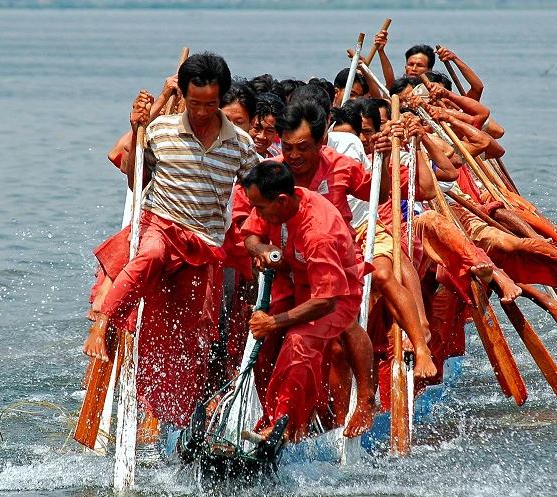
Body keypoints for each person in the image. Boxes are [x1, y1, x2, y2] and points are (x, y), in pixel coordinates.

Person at [83, 52, 260, 428]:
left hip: (204, 245)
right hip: (161, 225)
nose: (200, 112)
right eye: (194, 103)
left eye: (209, 104)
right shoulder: (160, 131)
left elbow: (260, 193)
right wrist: (136, 130)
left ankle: (173, 421)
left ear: (221, 99)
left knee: (191, 337)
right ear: (185, 96)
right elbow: (135, 179)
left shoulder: (241, 144)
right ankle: (104, 325)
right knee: (148, 257)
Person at [241, 161, 374, 443]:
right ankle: (276, 418)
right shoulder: (278, 200)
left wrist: (274, 321)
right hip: (295, 281)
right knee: (263, 348)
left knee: (297, 343)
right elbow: (250, 234)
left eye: (261, 208)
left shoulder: (318, 233)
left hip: (337, 296)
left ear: (282, 201)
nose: (258, 213)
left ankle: (286, 425)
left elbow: (326, 301)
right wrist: (261, 248)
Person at [248, 92, 285, 158]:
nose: (261, 137)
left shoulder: (276, 156)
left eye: (269, 131)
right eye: (257, 128)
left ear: (276, 133)